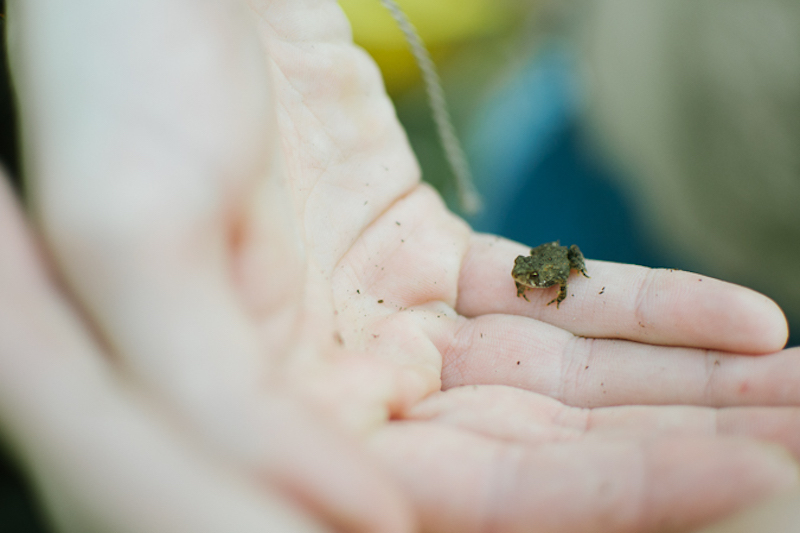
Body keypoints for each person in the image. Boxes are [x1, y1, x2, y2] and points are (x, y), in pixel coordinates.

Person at [3, 1, 800, 531]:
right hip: (634, 81)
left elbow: (559, 271)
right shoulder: (542, 253)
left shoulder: (555, 266)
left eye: (541, 279)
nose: (538, 280)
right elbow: (540, 271)